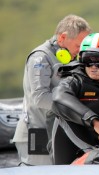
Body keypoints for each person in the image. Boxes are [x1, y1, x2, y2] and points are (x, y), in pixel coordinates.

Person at [13, 14, 92, 166]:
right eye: (78, 45)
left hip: (57, 132)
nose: (80, 50)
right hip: (37, 133)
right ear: (62, 38)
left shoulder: (70, 59)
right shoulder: (40, 58)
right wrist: (75, 109)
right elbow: (41, 97)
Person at [51, 33, 99, 164]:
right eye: (88, 60)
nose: (93, 67)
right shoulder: (74, 80)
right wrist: (95, 122)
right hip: (74, 154)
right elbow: (58, 97)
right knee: (62, 111)